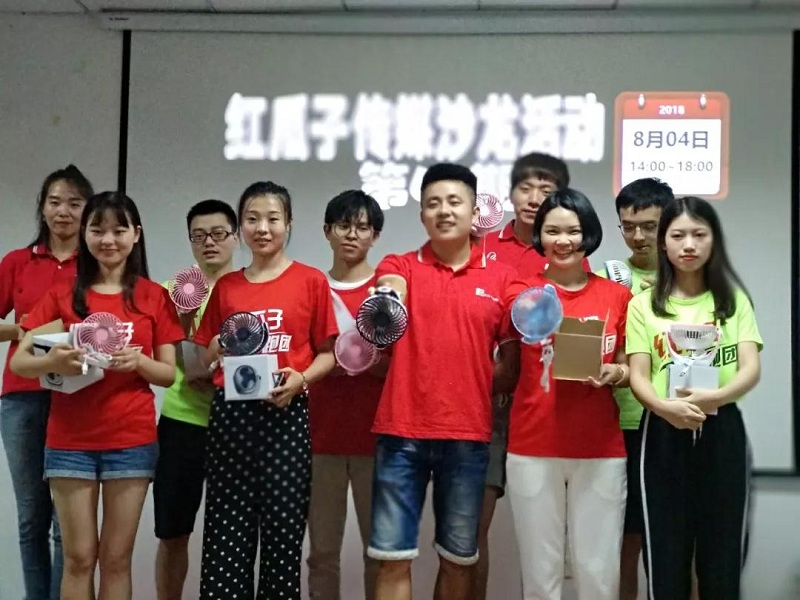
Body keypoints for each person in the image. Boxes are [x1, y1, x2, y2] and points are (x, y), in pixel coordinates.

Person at [10, 191, 184, 600]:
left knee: (116, 559)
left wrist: (138, 363)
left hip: (131, 442)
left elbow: (168, 374)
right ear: (85, 235)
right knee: (78, 559)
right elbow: (19, 362)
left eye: (119, 230)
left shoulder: (153, 296)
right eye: (97, 230)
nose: (108, 240)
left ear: (136, 234)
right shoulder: (63, 294)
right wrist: (54, 360)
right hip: (69, 443)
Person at [367, 163, 518, 600]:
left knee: (458, 561)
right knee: (392, 558)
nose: (444, 211)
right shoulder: (399, 265)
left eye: (454, 202)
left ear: (475, 212)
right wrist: (390, 294)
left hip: (468, 437)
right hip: (401, 434)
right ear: (422, 215)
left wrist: (465, 385)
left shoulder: (502, 279)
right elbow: (389, 288)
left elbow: (512, 366)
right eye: (433, 204)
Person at [193, 181, 338, 600]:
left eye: (273, 219)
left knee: (282, 541)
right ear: (241, 227)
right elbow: (204, 357)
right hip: (232, 417)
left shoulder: (310, 281)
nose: (263, 228)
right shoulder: (227, 287)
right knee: (225, 539)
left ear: (288, 224)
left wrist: (301, 380)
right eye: (252, 219)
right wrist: (217, 346)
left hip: (286, 415)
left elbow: (328, 354)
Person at [626, 196, 762, 599]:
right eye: (678, 235)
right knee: (665, 557)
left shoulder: (733, 300)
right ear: (663, 243)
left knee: (722, 559)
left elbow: (750, 369)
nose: (689, 245)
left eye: (699, 234)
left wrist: (714, 397)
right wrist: (664, 407)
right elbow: (638, 375)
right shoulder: (644, 305)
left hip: (722, 429)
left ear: (713, 240)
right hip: (662, 430)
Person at [504, 189, 631, 600]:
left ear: (588, 234)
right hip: (533, 445)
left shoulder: (616, 296)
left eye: (573, 231)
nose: (563, 241)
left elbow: (631, 367)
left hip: (600, 448)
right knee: (540, 574)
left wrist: (615, 372)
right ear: (539, 236)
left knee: (599, 573)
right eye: (552, 231)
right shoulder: (522, 292)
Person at [474, 152, 579, 599]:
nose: (535, 198)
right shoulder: (481, 247)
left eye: (546, 189)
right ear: (511, 192)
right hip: (489, 404)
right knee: (470, 532)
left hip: (546, 403)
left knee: (547, 536)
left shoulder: (569, 255)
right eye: (526, 188)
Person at [0, 164, 93, 600]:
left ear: (88, 211)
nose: (64, 211)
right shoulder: (17, 262)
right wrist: (22, 330)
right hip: (21, 399)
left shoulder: (96, 265)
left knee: (65, 523)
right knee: (30, 518)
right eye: (55, 202)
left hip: (77, 399)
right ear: (42, 207)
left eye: (75, 203)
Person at [153, 199, 238, 600]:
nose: (209, 242)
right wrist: (189, 346)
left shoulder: (249, 289)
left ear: (235, 237)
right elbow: (163, 357)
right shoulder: (170, 292)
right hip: (182, 421)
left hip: (235, 424)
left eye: (218, 233)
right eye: (199, 235)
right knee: (173, 532)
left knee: (230, 535)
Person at [306, 189, 388, 600]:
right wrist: (325, 363)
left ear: (375, 235)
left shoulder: (387, 293)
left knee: (380, 555)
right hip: (320, 438)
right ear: (327, 231)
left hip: (378, 440)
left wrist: (363, 360)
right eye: (343, 226)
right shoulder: (311, 287)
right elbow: (300, 359)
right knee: (322, 555)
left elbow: (400, 368)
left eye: (362, 227)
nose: (352, 235)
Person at [596, 177, 673, 600]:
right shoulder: (608, 278)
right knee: (626, 542)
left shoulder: (689, 278)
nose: (638, 236)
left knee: (678, 539)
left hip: (676, 422)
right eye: (628, 226)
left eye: (649, 226)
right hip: (623, 423)